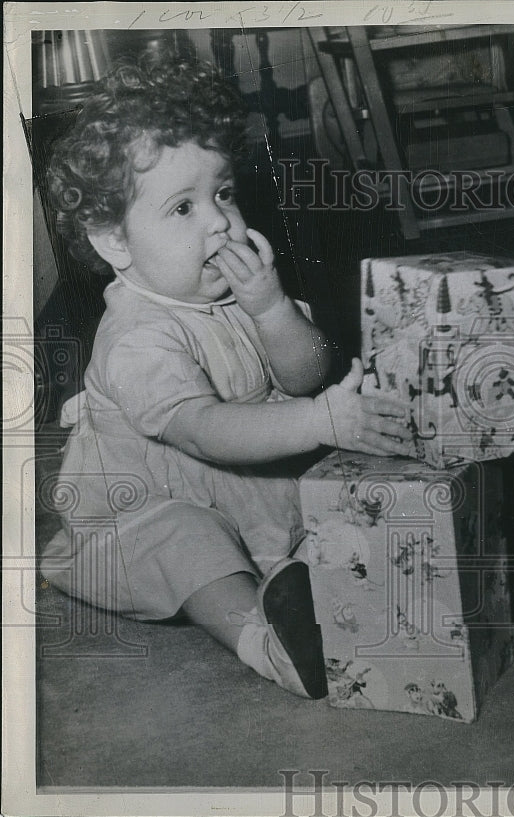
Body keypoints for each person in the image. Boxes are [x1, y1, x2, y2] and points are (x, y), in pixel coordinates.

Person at [41, 52, 413, 700]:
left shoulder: (237, 293)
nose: (218, 220)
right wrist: (320, 418)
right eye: (182, 208)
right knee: (190, 542)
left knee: (327, 497)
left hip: (242, 492)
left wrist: (270, 308)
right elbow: (207, 430)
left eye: (223, 193)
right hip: (139, 520)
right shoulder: (136, 336)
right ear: (114, 242)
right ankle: (265, 640)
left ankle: (304, 587)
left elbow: (304, 375)